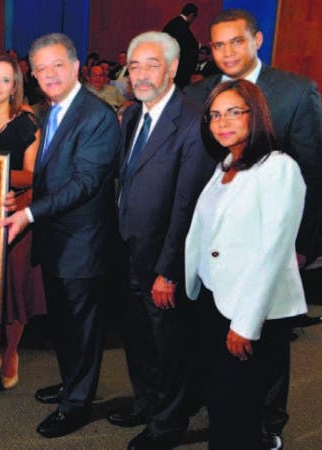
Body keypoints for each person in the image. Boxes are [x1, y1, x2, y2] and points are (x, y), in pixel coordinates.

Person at [184, 11, 322, 446]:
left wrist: (302, 248)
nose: (226, 52)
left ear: (257, 40)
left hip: (261, 272)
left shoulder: (294, 97)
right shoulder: (223, 152)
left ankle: (268, 434)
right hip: (215, 282)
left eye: (235, 42)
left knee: (257, 382)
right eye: (217, 45)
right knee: (227, 391)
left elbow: (312, 172)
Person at [0, 33, 119, 438]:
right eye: (40, 69)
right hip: (56, 240)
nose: (48, 74)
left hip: (83, 244)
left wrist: (29, 213)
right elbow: (48, 177)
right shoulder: (50, 111)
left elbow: (85, 183)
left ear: (74, 67)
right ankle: (72, 385)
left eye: (56, 66)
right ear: (32, 74)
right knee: (64, 325)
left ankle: (77, 405)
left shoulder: (96, 116)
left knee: (83, 329)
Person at [110, 31, 216, 449]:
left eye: (150, 64)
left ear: (172, 69)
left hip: (162, 263)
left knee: (167, 347)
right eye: (133, 65)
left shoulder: (192, 121)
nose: (139, 74)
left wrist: (168, 271)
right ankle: (146, 405)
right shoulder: (132, 115)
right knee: (138, 340)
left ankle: (167, 427)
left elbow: (187, 206)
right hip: (127, 252)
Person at [0, 55, 47, 393]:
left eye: (5, 79)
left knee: (14, 290)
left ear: (15, 86)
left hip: (15, 212)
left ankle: (12, 352)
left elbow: (31, 175)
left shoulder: (26, 121)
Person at [162, 3, 199, 89]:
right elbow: (188, 48)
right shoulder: (182, 26)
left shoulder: (172, 23)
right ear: (191, 15)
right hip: (179, 70)